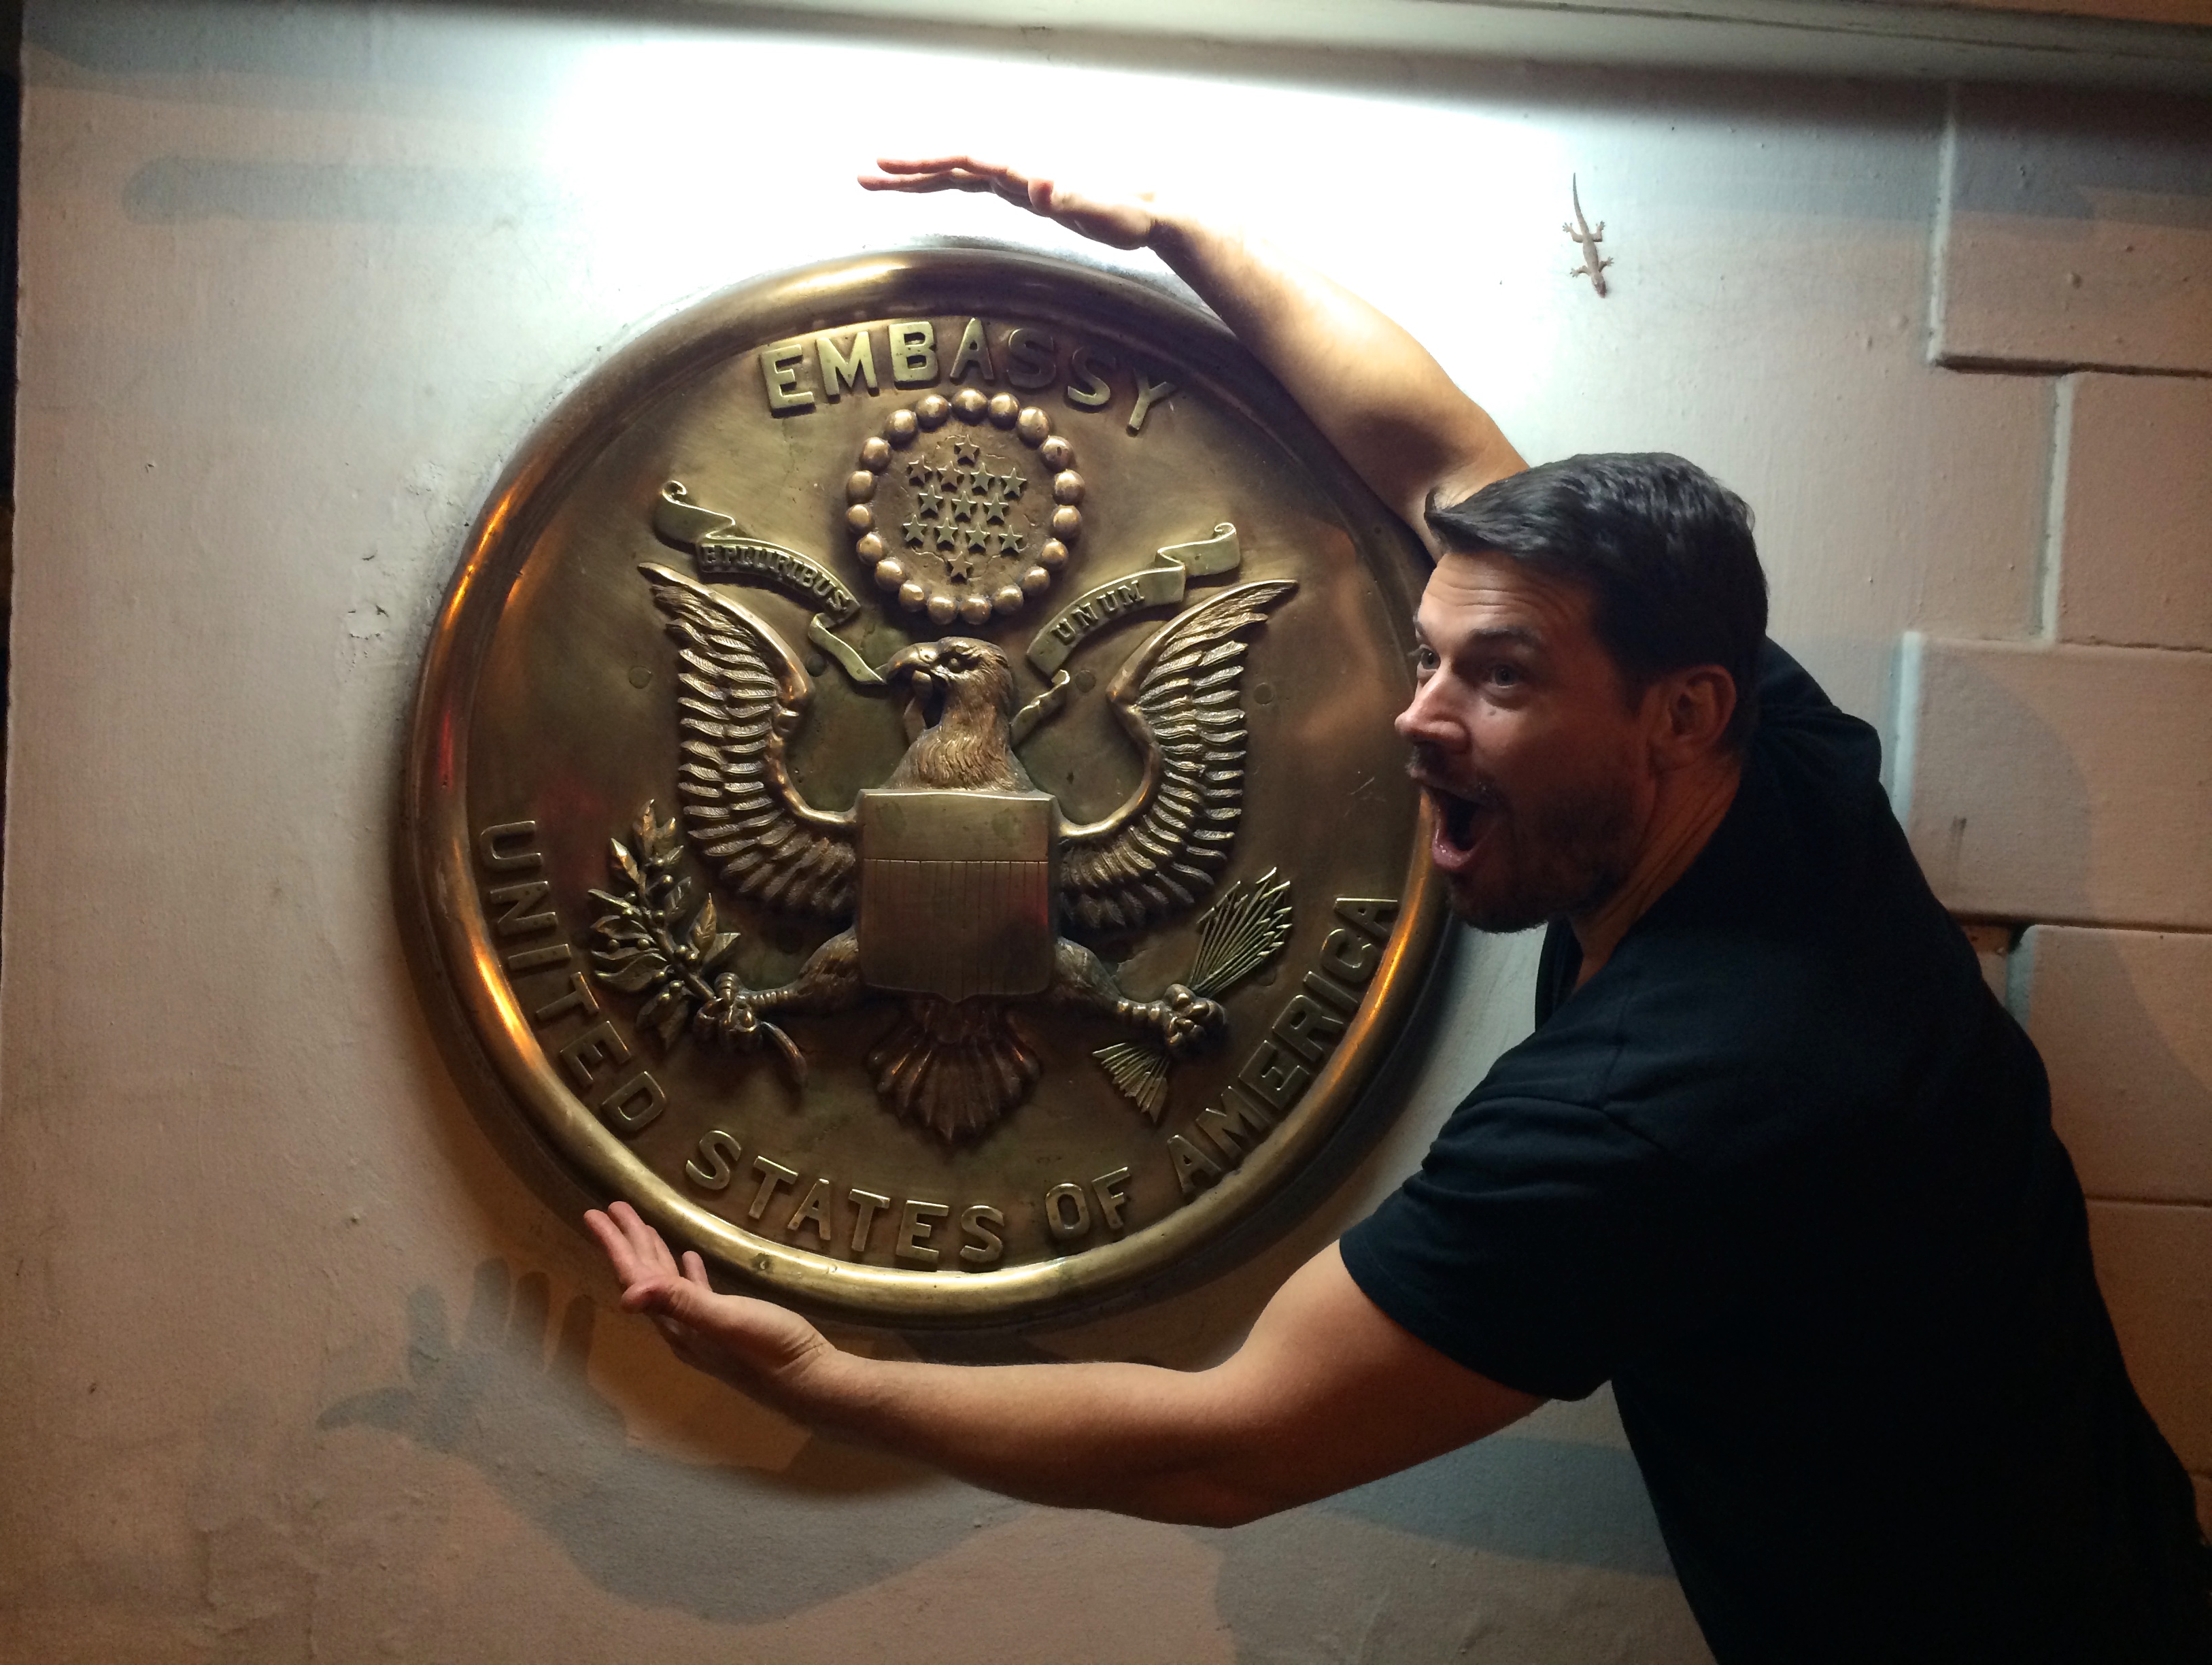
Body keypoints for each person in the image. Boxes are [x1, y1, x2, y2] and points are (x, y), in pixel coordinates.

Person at [588, 158, 2212, 1663]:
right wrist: (1178, 237)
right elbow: (1439, 456)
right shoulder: (1776, 762)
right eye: (1431, 656)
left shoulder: (1646, 1115)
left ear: (1677, 714)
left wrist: (834, 1385)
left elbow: (1230, 1450)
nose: (1416, 718)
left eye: (1498, 680)